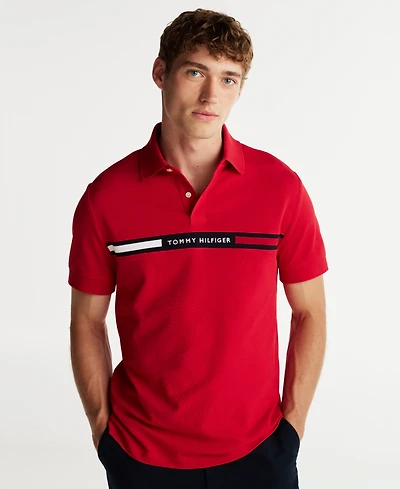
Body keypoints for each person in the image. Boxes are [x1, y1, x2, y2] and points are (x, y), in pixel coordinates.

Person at [68, 8, 328, 489]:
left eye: (229, 79)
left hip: (259, 451)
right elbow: (86, 320)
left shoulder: (280, 188)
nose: (212, 96)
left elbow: (309, 311)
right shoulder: (106, 197)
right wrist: (103, 430)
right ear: (160, 72)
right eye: (195, 72)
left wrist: (291, 426)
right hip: (142, 455)